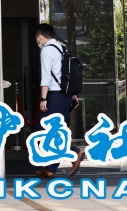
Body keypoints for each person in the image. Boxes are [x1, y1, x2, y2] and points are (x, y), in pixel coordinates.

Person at [34, 23, 85, 178]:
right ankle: (50, 168)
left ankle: (75, 152)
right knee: (54, 131)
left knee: (45, 130)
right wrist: (72, 94)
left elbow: (46, 78)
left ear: (40, 37)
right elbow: (67, 75)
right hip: (65, 96)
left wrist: (43, 99)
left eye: (37, 39)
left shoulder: (47, 50)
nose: (38, 42)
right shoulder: (61, 48)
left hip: (55, 96)